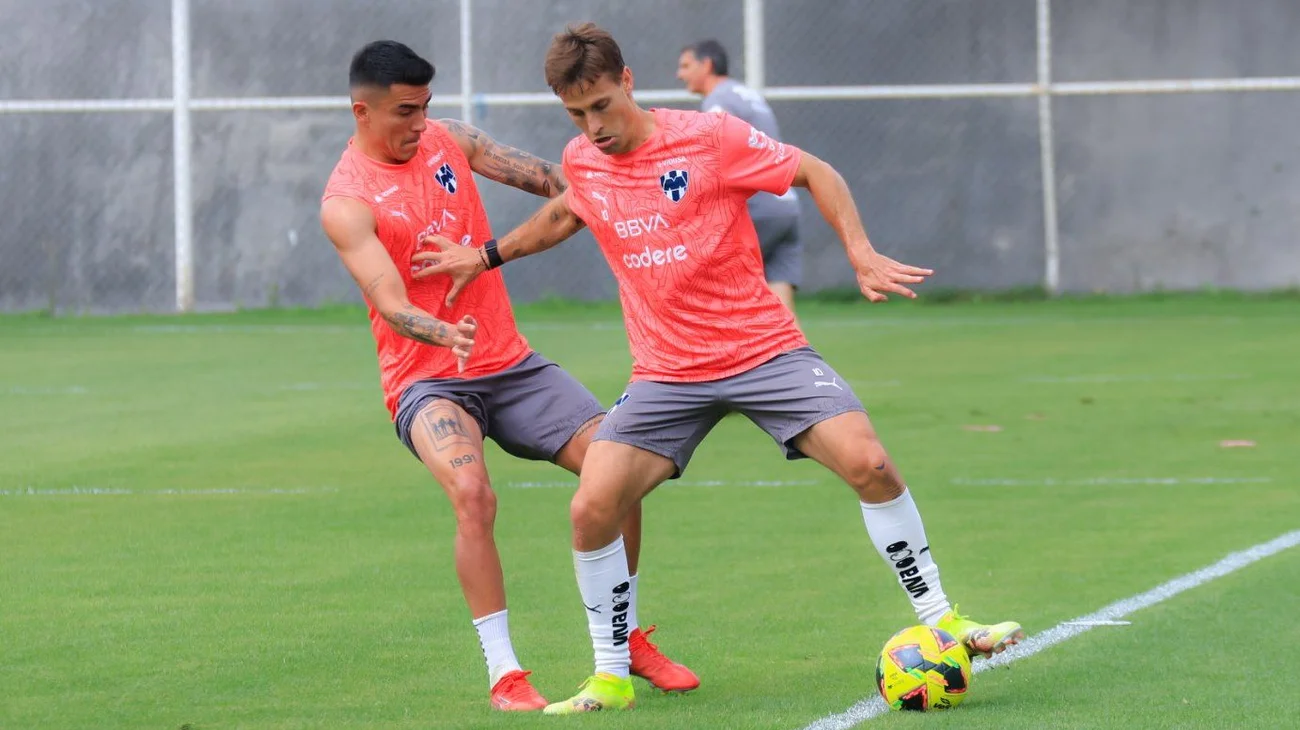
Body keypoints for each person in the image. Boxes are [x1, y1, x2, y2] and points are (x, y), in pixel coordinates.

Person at [413, 24, 1024, 715]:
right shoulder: (582, 159)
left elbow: (814, 170)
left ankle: (944, 620)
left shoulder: (709, 138)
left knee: (871, 464)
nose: (594, 126)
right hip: (666, 375)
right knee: (591, 506)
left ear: (630, 81)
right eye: (577, 115)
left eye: (603, 105)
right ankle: (610, 676)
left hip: (761, 350)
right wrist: (488, 255)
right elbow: (565, 214)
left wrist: (858, 250)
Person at [318, 40, 697, 713]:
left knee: (616, 468)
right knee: (473, 494)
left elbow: (561, 185)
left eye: (426, 107)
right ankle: (505, 675)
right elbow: (392, 304)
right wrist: (445, 331)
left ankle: (625, 636)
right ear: (363, 112)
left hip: (511, 365)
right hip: (428, 382)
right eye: (406, 112)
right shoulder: (347, 201)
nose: (420, 123)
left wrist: (628, 187)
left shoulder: (451, 140)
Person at [678, 38, 803, 322]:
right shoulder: (747, 94)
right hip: (786, 204)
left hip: (758, 208)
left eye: (686, 66)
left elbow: (712, 153)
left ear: (706, 65)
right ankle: (798, 362)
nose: (680, 74)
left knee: (711, 285)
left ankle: (721, 359)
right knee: (781, 302)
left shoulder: (718, 101)